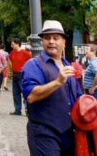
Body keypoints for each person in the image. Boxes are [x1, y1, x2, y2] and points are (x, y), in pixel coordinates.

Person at [22, 20, 82, 156]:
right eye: (47, 38)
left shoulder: (68, 67)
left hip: (69, 133)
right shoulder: (33, 65)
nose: (51, 41)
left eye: (56, 38)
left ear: (64, 43)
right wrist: (57, 82)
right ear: (42, 42)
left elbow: (78, 100)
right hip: (43, 132)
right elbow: (31, 96)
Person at [7, 37, 32, 116]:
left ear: (17, 44)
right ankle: (17, 110)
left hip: (22, 75)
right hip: (15, 74)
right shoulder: (12, 53)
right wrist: (10, 72)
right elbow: (9, 60)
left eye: (12, 44)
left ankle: (28, 110)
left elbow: (30, 62)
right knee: (16, 93)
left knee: (24, 93)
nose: (11, 46)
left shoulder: (25, 53)